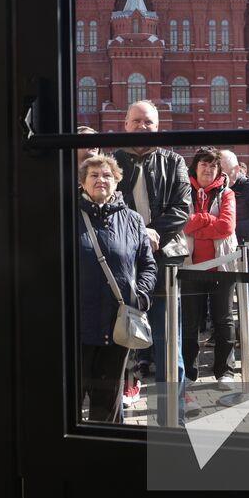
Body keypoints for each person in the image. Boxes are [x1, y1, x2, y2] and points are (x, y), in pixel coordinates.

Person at [112, 100, 192, 424]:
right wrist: (137, 232)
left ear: (157, 126)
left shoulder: (174, 161)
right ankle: (113, 411)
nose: (143, 127)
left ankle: (173, 417)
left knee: (168, 342)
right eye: (137, 121)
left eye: (149, 123)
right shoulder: (112, 161)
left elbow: (182, 207)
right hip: (121, 260)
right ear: (125, 124)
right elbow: (108, 205)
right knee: (117, 338)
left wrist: (152, 232)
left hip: (164, 261)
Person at [76, 153, 156, 424]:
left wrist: (139, 297)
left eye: (107, 175)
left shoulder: (133, 220)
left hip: (117, 325)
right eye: (94, 176)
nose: (101, 180)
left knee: (108, 402)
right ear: (83, 183)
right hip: (77, 326)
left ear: (117, 182)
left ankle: (105, 454)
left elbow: (148, 265)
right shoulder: (67, 216)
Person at [181, 147, 237, 390]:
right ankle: (188, 372)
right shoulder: (183, 191)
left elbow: (226, 227)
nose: (208, 169)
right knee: (189, 322)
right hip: (190, 266)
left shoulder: (228, 194)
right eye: (204, 164)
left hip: (221, 266)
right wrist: (205, 219)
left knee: (223, 320)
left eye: (213, 166)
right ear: (195, 167)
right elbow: (181, 224)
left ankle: (225, 371)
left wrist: (198, 223)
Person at [219, 151, 249, 372]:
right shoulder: (217, 188)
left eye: (226, 172)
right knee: (223, 310)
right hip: (220, 255)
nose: (221, 176)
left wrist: (225, 229)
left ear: (237, 170)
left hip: (247, 255)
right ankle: (225, 358)